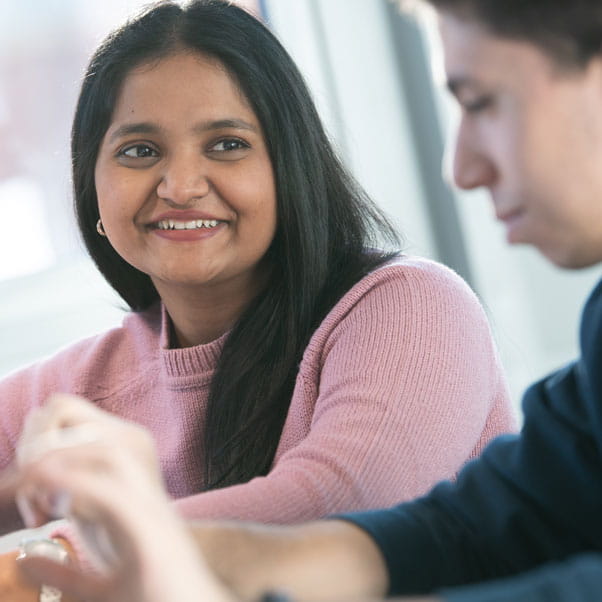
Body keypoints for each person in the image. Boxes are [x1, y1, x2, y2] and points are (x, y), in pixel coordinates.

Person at [10, 0, 598, 600]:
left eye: (226, 145)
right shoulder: (82, 384)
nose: (181, 187)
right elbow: (466, 527)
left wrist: (60, 556)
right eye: (139, 151)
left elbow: (342, 504)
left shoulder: (411, 306)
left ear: (292, 167)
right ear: (91, 189)